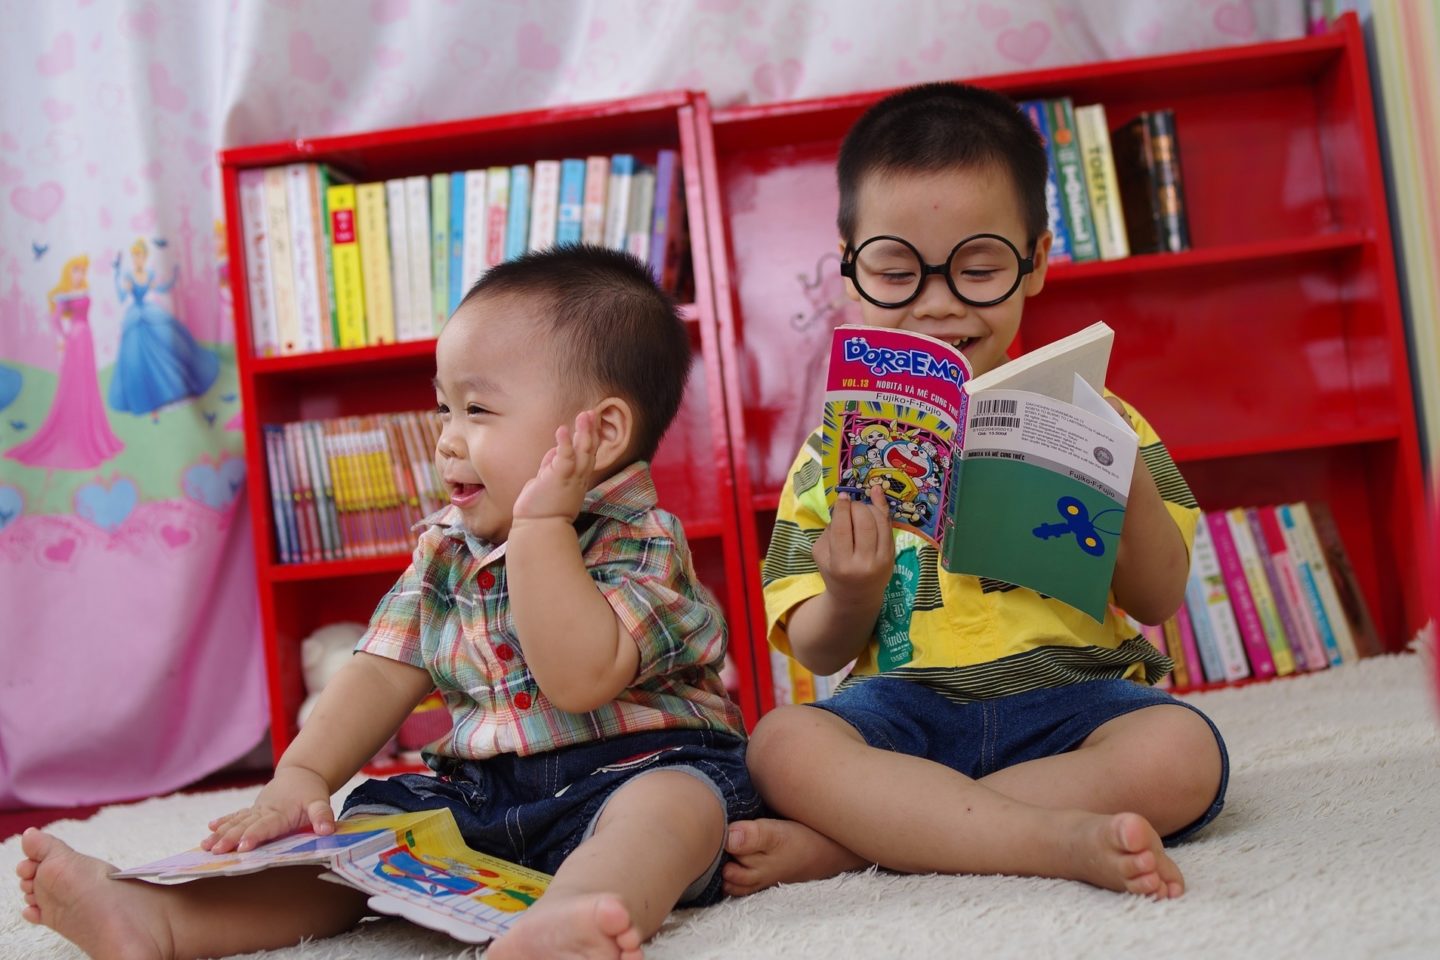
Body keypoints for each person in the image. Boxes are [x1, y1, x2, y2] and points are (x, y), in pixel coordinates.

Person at [18, 245, 759, 960]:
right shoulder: (446, 551)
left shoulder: (643, 542)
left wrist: (541, 528)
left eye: (477, 410)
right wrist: (300, 779)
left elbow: (577, 678)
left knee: (676, 810)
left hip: (635, 769)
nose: (445, 439)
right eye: (443, 408)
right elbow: (380, 672)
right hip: (481, 795)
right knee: (360, 837)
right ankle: (162, 921)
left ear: (599, 435)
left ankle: (576, 917)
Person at [721, 82, 1227, 901]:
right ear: (850, 270)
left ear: (1036, 263)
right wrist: (852, 588)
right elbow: (817, 649)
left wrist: (1116, 461)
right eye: (896, 271)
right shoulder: (831, 454)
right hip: (904, 712)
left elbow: (1159, 594)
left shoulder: (1108, 416)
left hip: (1073, 699)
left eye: (979, 268)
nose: (937, 303)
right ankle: (1017, 832)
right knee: (780, 744)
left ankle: (869, 844)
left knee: (1183, 751)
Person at [5, 254, 124, 470]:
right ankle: (75, 429)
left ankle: (90, 428)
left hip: (86, 338)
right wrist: (66, 335)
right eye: (76, 270)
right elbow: (55, 318)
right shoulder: (65, 294)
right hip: (76, 338)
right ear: (69, 272)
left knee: (88, 383)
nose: (80, 274)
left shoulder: (83, 290)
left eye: (82, 270)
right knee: (75, 383)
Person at [108, 238, 219, 420]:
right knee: (136, 355)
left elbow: (160, 288)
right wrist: (116, 273)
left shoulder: (149, 273)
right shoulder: (129, 277)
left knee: (170, 342)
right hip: (136, 316)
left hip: (151, 313)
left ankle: (174, 386)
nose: (137, 259)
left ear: (145, 256)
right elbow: (121, 296)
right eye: (134, 256)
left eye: (139, 255)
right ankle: (149, 398)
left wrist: (174, 277)